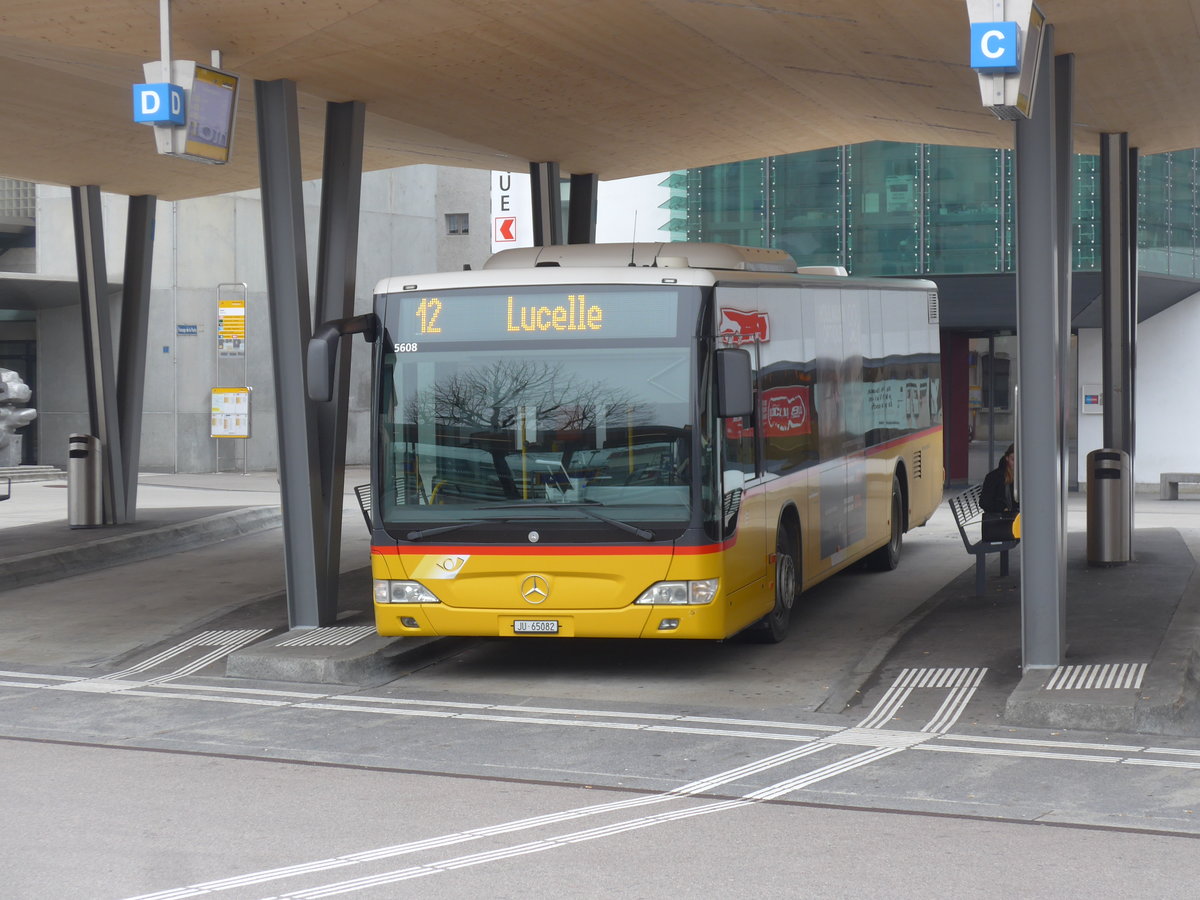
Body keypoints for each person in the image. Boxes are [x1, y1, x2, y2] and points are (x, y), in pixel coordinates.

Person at [980, 443, 1019, 542]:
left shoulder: (1019, 475)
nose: (1016, 463)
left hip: (1008, 521)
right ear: (1007, 458)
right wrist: (1003, 508)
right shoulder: (995, 477)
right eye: (1013, 460)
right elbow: (984, 503)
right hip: (1000, 524)